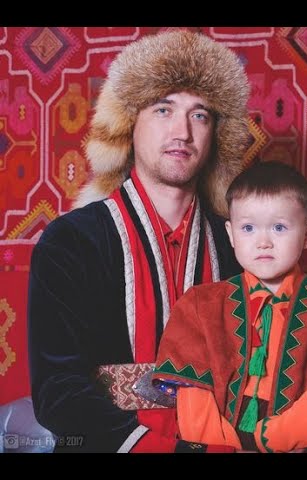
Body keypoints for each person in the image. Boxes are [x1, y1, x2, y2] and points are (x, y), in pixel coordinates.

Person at [28, 30, 249, 452]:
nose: (183, 131)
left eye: (200, 115)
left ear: (216, 134)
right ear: (130, 123)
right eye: (163, 109)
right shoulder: (70, 242)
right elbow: (57, 392)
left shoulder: (239, 244)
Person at [152, 161, 307, 453]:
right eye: (248, 228)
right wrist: (225, 449)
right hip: (219, 443)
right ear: (231, 234)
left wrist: (274, 438)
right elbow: (193, 397)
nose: (263, 242)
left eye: (279, 227)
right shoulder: (199, 304)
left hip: (297, 443)